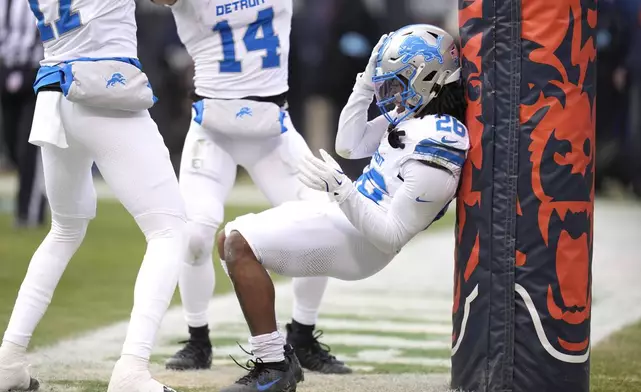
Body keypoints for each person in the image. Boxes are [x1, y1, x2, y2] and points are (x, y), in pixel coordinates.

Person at [216, 24, 468, 392]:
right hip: (348, 215)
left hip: (362, 242)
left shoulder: (440, 143)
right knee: (228, 239)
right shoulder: (418, 116)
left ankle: (273, 367)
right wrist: (364, 83)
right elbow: (348, 145)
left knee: (239, 245)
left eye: (397, 83)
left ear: (429, 78)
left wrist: (341, 189)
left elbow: (391, 236)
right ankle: (281, 355)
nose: (391, 94)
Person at [149, 0, 351, 375]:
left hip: (272, 128)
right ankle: (197, 339)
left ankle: (303, 335)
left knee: (324, 221)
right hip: (213, 129)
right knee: (194, 234)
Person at [0, 1, 187, 391]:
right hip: (105, 85)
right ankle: (132, 370)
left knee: (64, 230)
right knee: (169, 231)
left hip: (54, 91)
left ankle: (8, 359)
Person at [0, 0, 47, 228]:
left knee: (29, 146)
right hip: (7, 69)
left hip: (37, 72)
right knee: (11, 145)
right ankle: (32, 198)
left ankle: (30, 212)